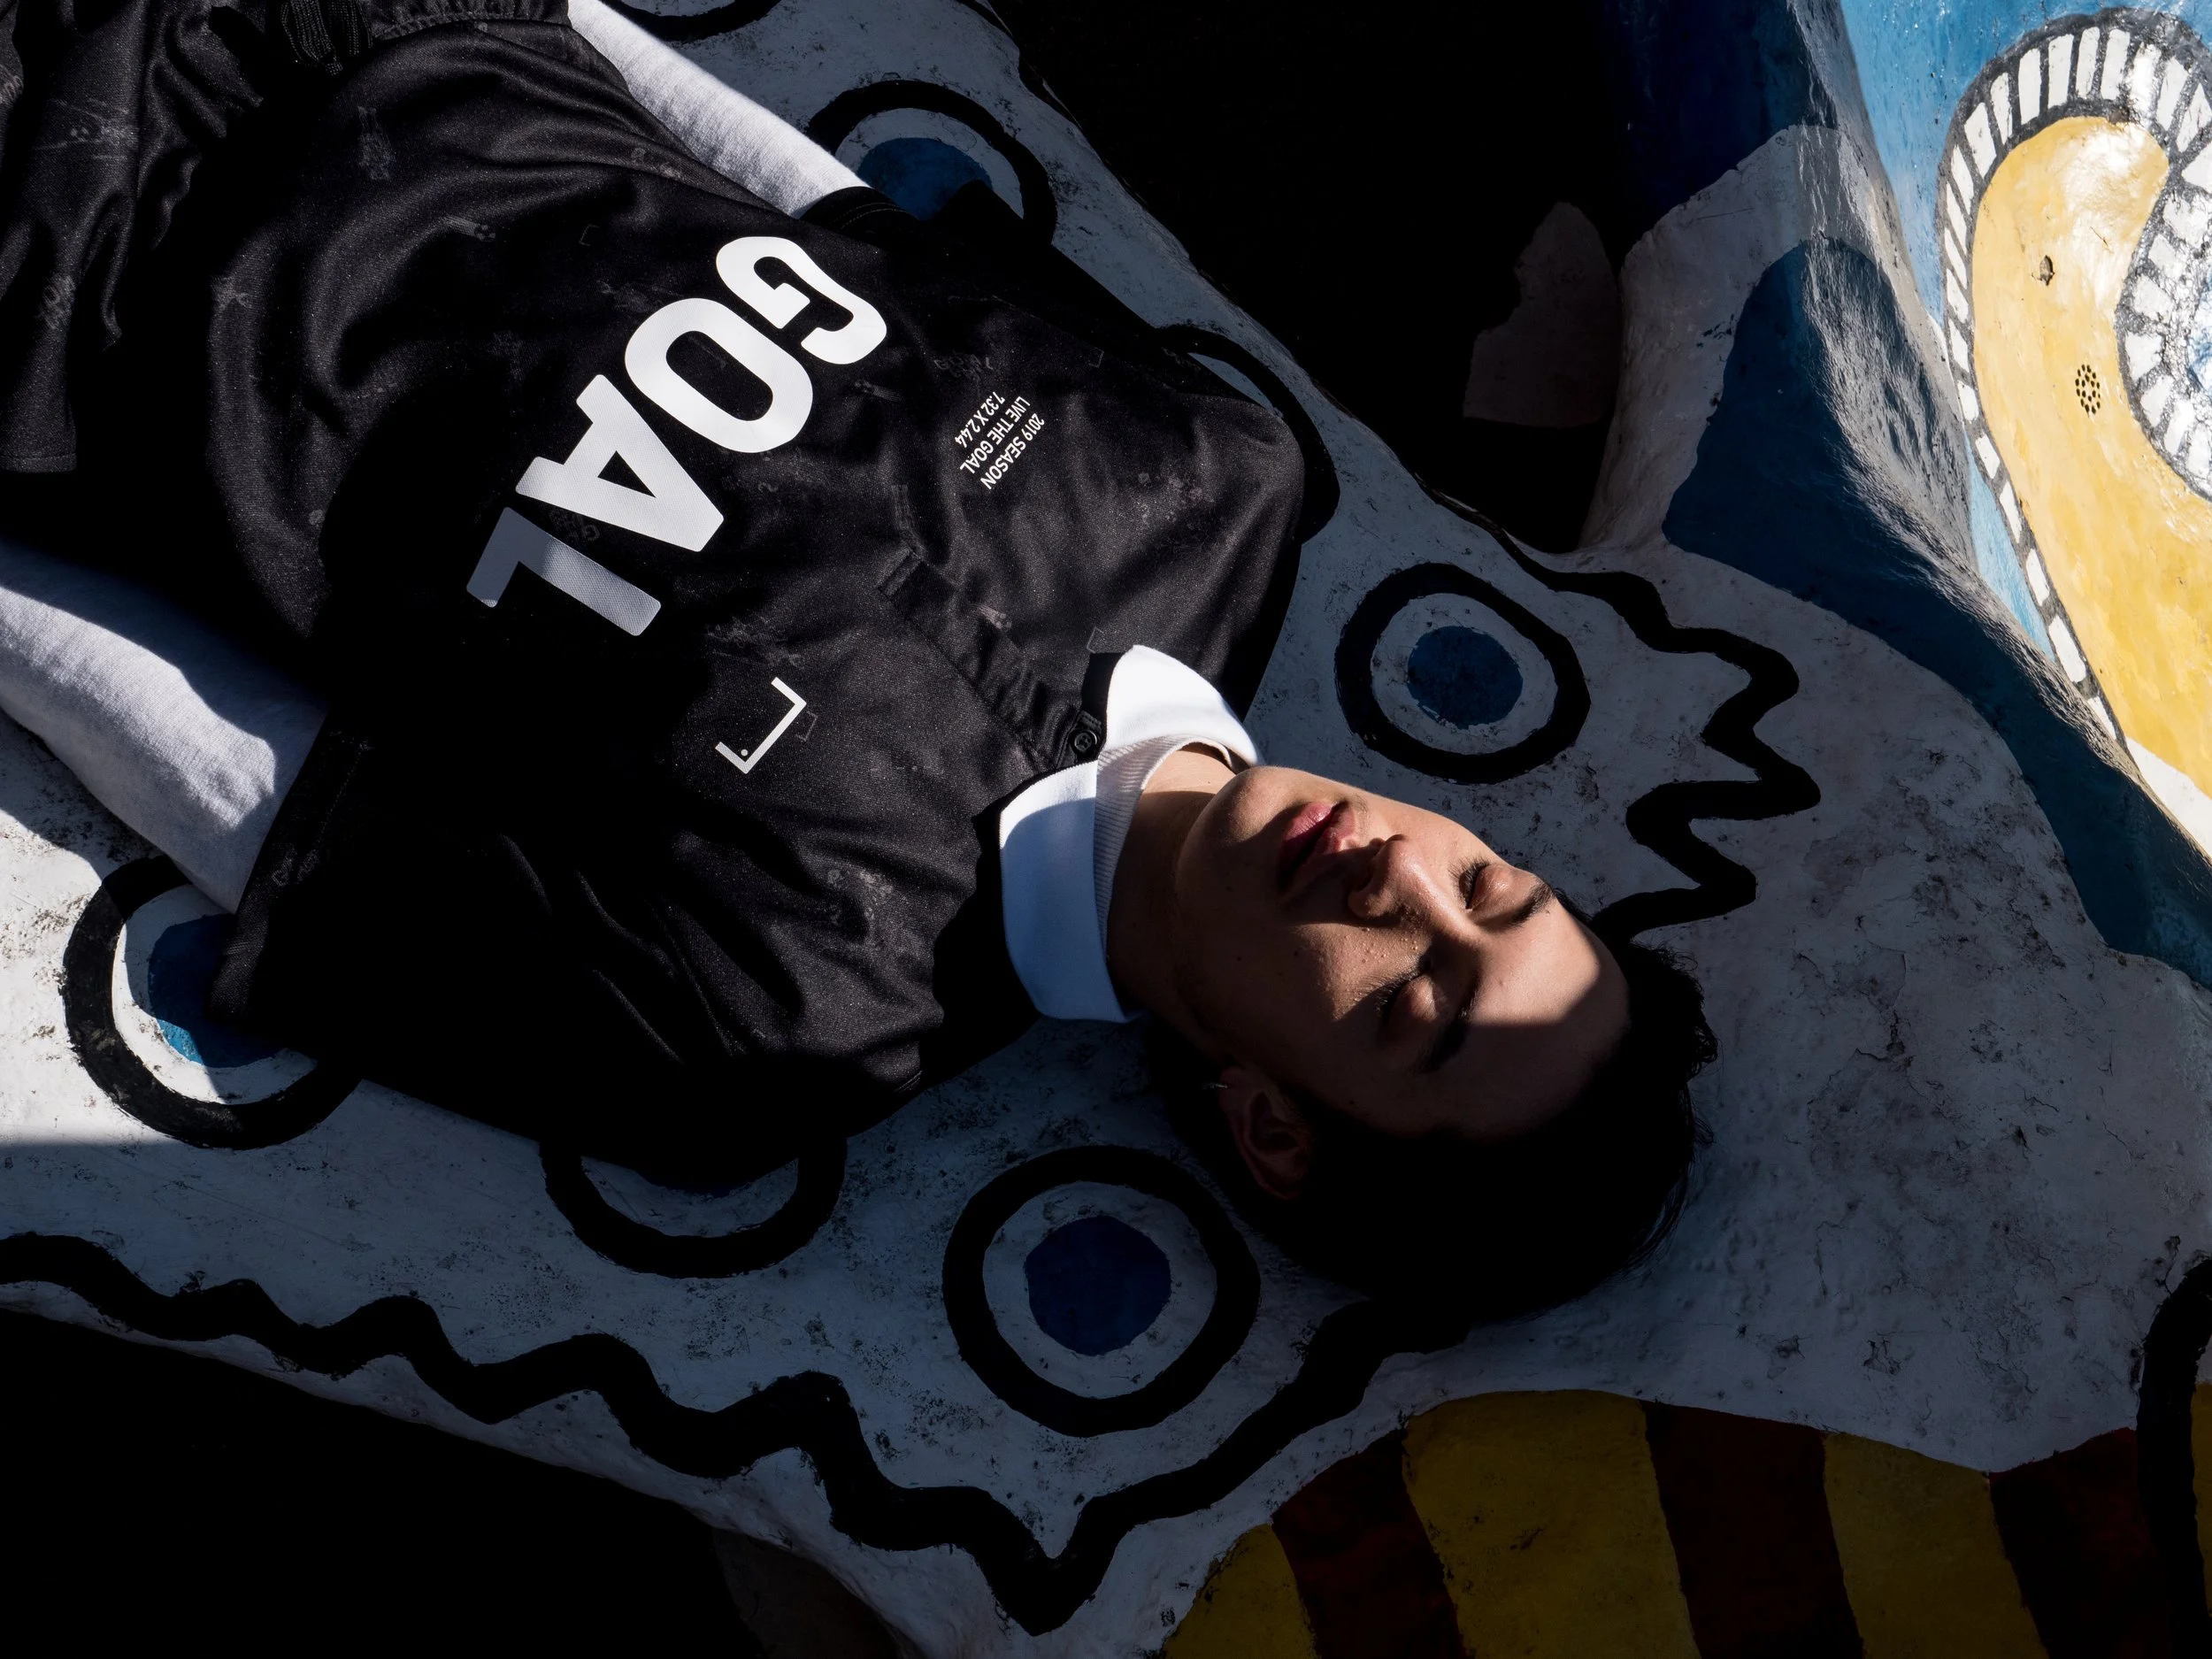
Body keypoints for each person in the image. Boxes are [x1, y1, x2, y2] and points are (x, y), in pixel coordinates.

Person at [0, 0, 1709, 1310]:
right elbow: (808, 206)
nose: (1403, 881)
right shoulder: (1221, 480)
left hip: (68, 265)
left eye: (1411, 1004)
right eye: (1490, 890)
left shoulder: (785, 1020)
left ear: (1272, 1126)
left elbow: (258, 787)